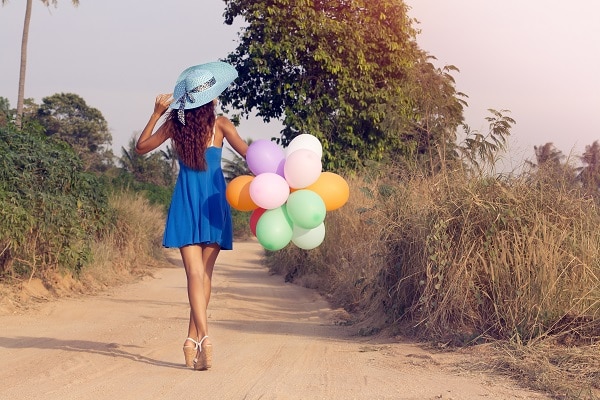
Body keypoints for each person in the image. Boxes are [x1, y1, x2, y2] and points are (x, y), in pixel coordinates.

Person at [135, 61, 248, 371]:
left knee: (195, 276)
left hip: (186, 201)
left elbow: (141, 146)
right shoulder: (222, 124)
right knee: (205, 275)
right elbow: (249, 155)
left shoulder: (177, 124)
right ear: (210, 97)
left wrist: (157, 113)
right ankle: (200, 339)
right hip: (213, 203)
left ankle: (195, 339)